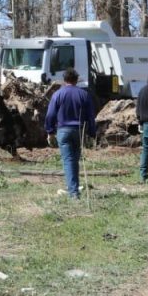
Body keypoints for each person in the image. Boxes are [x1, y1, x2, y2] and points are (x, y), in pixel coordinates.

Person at [44, 68, 97, 199]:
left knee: (68, 160)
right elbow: (91, 116)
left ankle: (73, 192)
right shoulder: (84, 94)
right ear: (76, 80)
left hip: (63, 130)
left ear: (64, 80)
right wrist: (92, 133)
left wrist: (50, 131)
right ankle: (74, 188)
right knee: (74, 160)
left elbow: (50, 114)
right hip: (79, 131)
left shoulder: (58, 94)